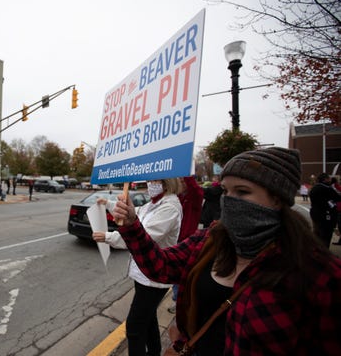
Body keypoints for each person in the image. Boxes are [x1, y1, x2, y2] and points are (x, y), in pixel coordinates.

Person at [110, 147, 341, 355]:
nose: (230, 200)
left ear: (277, 199)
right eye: (225, 191)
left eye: (242, 192)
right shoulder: (210, 240)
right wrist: (132, 226)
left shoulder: (318, 274)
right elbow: (161, 266)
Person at [93, 178, 182, 356]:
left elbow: (144, 234)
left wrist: (109, 237)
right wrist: (109, 203)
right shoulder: (153, 204)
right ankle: (154, 351)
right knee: (148, 319)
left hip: (154, 278)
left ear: (166, 183)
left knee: (134, 327)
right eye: (149, 180)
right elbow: (137, 214)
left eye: (154, 180)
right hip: (144, 274)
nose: (150, 184)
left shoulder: (170, 207)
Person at [169, 176, 203, 314]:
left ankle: (180, 304)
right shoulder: (177, 199)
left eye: (183, 181)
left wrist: (186, 174)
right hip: (175, 241)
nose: (181, 183)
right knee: (176, 275)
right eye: (179, 181)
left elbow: (196, 190)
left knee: (183, 276)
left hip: (187, 243)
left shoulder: (194, 199)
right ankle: (179, 302)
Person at [309, 173, 341, 247]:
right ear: (325, 179)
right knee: (326, 235)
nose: (330, 180)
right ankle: (324, 253)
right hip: (325, 215)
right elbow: (337, 197)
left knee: (317, 233)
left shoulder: (314, 188)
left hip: (315, 213)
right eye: (329, 178)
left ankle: (316, 251)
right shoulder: (326, 188)